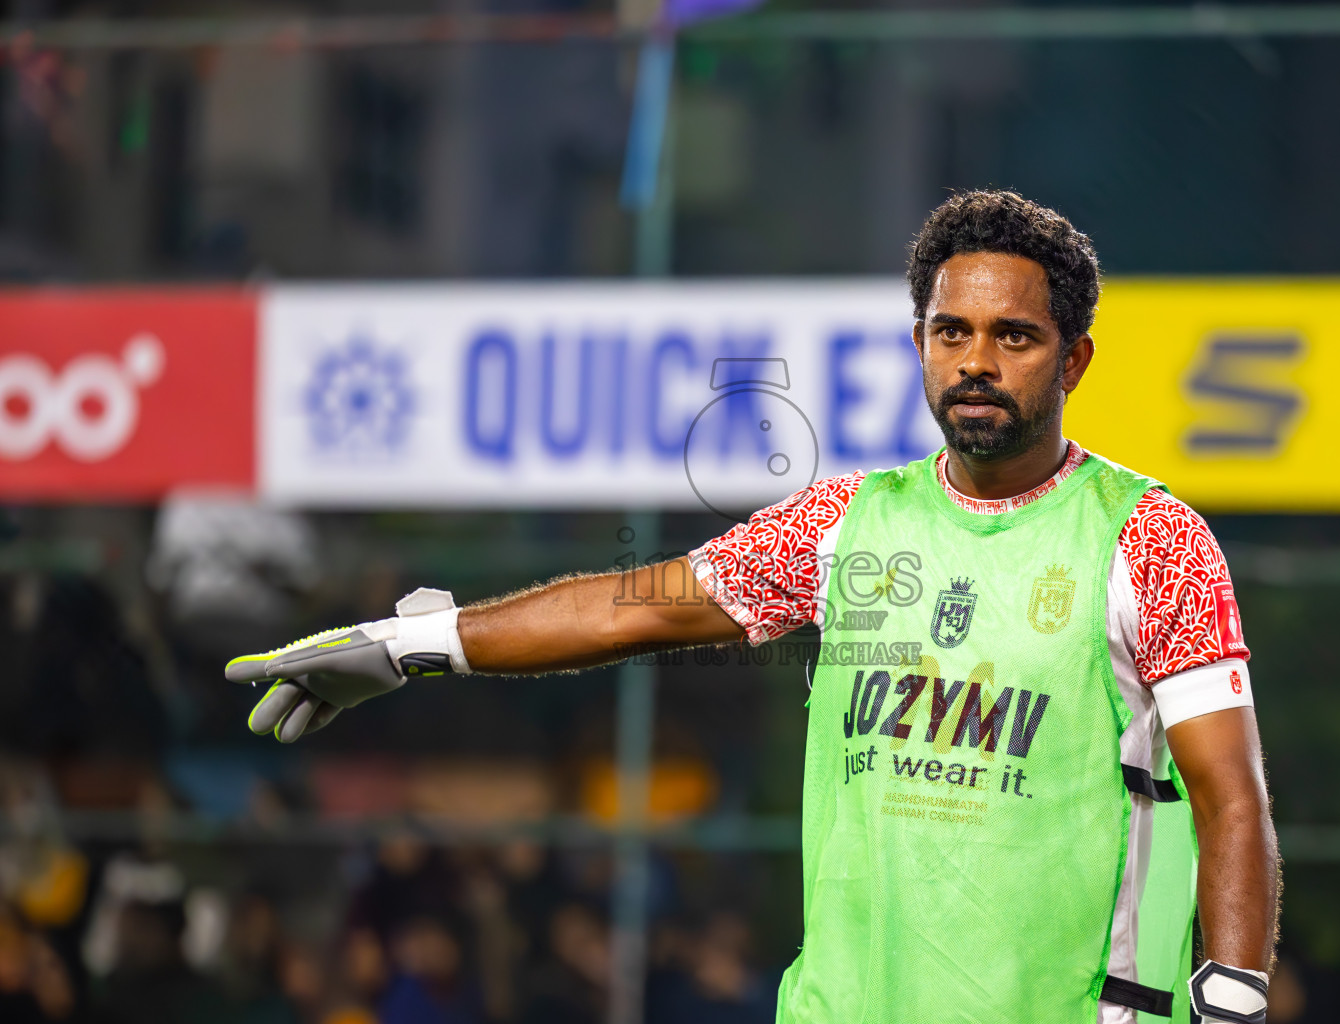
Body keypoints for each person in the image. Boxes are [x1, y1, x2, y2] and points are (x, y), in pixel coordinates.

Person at [227, 191, 1280, 1023]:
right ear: (919, 343)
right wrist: (417, 642)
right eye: (950, 331)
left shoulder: (1152, 539)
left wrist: (1230, 1000)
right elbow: (632, 610)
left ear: (1075, 358)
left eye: (1014, 337)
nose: (975, 361)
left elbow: (1231, 799)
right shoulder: (843, 526)